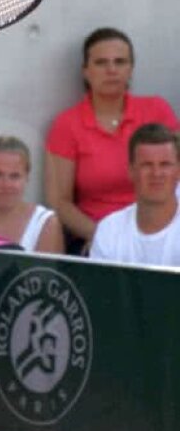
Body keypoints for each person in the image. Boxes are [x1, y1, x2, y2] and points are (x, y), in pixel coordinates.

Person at [44, 27, 179, 254]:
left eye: (120, 62)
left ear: (130, 69)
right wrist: (101, 235)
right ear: (86, 71)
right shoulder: (67, 125)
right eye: (101, 63)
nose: (111, 70)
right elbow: (60, 201)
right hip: (94, 235)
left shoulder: (157, 110)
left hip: (164, 231)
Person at [89, 123, 180, 267]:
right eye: (146, 165)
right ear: (131, 171)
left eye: (165, 164)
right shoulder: (109, 230)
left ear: (178, 171)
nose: (156, 174)